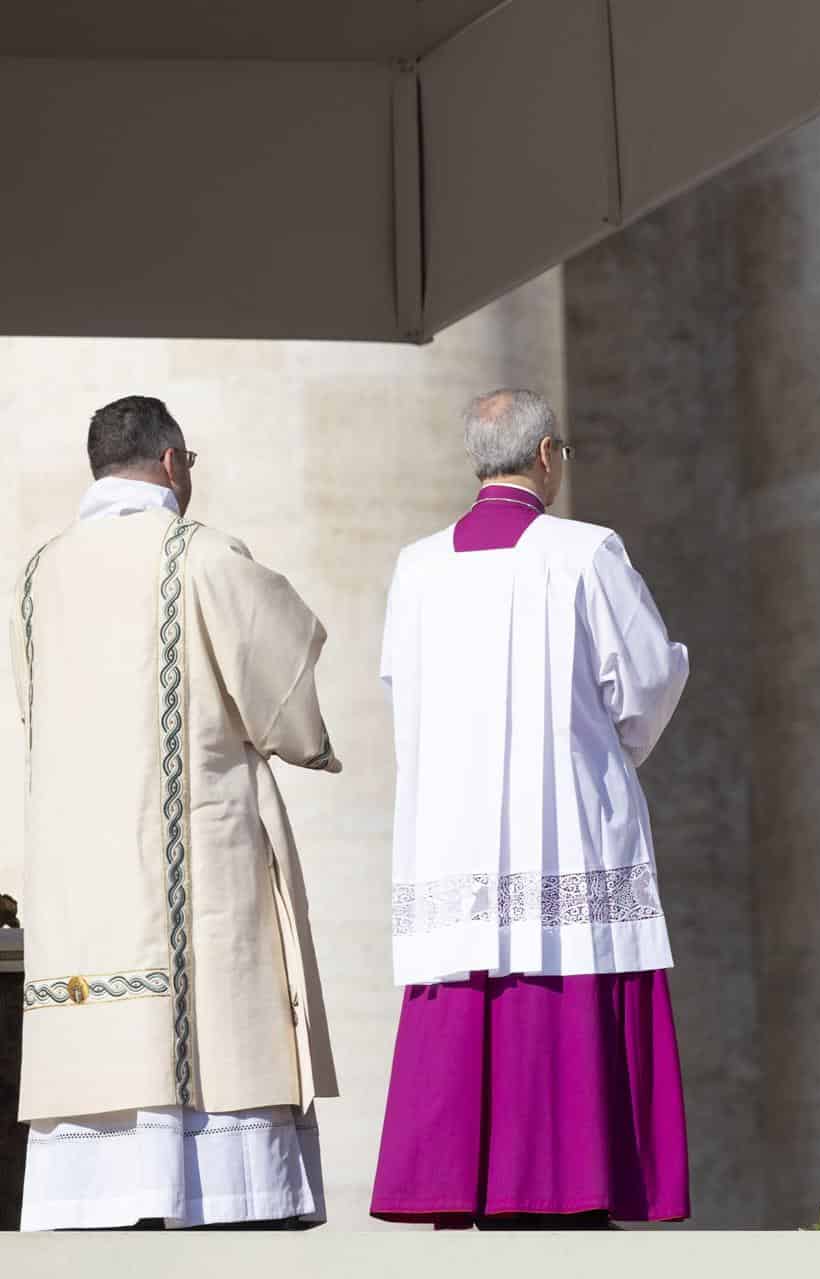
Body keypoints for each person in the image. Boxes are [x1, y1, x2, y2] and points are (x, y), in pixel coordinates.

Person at [9, 396, 338, 1230]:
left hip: (82, 890)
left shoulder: (40, 573)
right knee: (201, 1117)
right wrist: (311, 742)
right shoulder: (201, 554)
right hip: (190, 867)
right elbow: (284, 683)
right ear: (171, 463)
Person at [372, 389, 691, 1228]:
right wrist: (612, 753)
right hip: (569, 842)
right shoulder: (585, 554)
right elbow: (648, 681)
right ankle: (570, 1187)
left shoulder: (416, 566)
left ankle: (466, 1190)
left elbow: (400, 694)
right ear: (547, 455)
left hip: (452, 849)